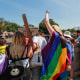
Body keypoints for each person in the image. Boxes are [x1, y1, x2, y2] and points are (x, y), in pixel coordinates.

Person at [40, 10, 72, 80]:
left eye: (51, 28)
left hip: (56, 65)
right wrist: (68, 64)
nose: (49, 30)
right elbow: (69, 51)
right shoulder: (61, 39)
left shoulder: (56, 36)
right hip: (61, 65)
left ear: (54, 30)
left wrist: (47, 13)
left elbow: (46, 22)